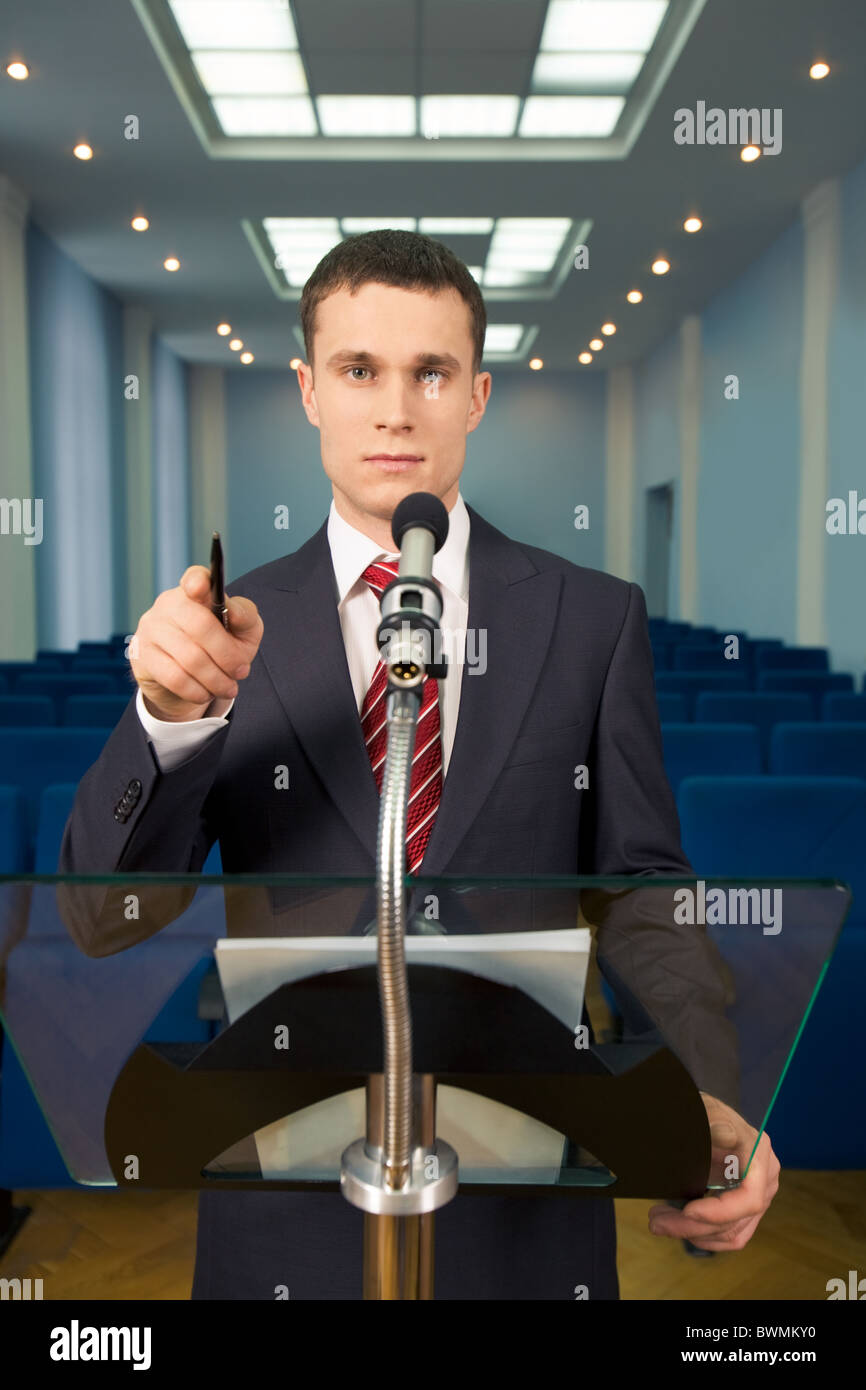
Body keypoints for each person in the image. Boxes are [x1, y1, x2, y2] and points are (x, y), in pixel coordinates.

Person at [60, 229, 779, 1299]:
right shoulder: (223, 627)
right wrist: (168, 717)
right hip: (286, 1201)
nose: (395, 408)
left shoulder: (590, 617)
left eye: (430, 372)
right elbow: (101, 914)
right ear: (309, 389)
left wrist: (710, 1101)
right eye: (358, 370)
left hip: (530, 1197)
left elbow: (640, 891)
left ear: (476, 395)